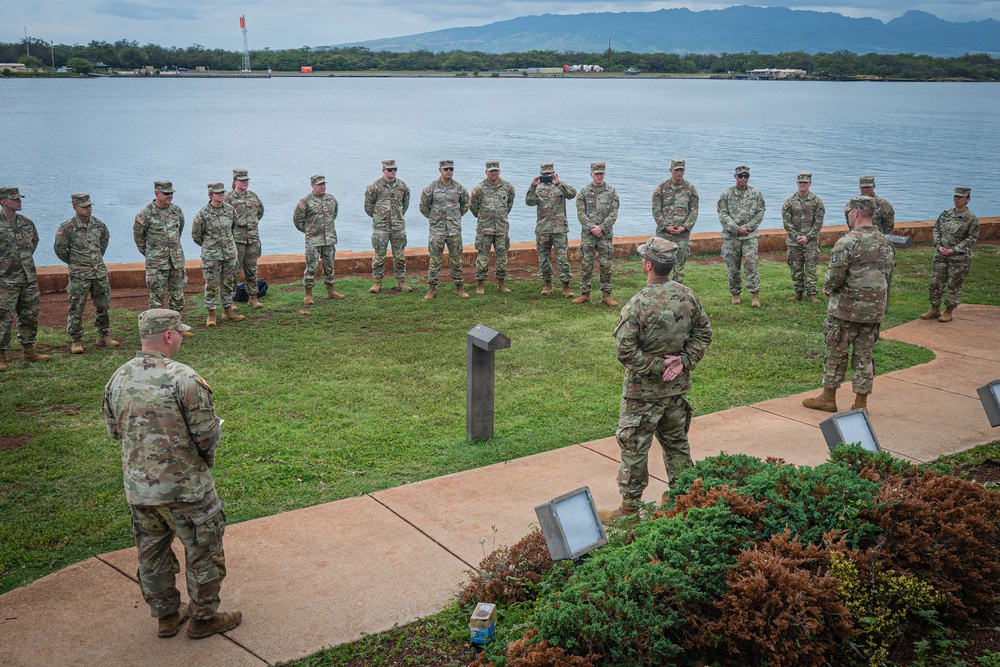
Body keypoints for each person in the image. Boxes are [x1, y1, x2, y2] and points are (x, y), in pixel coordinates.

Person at [104, 309, 242, 639]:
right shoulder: (184, 379)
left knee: (152, 554)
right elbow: (206, 436)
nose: (181, 338)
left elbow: (114, 431)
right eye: (179, 333)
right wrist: (205, 462)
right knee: (203, 553)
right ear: (168, 336)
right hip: (188, 491)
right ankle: (203, 618)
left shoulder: (118, 378)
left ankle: (166, 616)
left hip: (140, 491)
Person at [601, 237, 713, 524]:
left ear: (647, 265)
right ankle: (685, 500)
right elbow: (704, 334)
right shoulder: (688, 296)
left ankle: (629, 512)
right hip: (676, 391)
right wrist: (681, 362)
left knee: (635, 448)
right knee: (677, 444)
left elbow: (625, 351)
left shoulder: (638, 304)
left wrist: (656, 364)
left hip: (642, 395)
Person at [803, 196, 892, 413]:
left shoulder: (848, 242)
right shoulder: (885, 242)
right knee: (864, 356)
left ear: (854, 214)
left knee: (836, 352)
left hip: (846, 310)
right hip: (873, 312)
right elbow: (888, 276)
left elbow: (835, 277)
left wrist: (827, 288)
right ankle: (860, 403)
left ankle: (828, 397)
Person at [54, 192, 119, 353]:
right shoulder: (67, 227)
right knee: (77, 307)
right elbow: (60, 249)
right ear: (75, 207)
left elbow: (104, 242)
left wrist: (95, 260)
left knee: (103, 306)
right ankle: (76, 340)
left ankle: (103, 335)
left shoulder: (98, 225)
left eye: (89, 206)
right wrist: (75, 262)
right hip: (79, 274)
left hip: (99, 273)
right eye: (84, 207)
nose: (88, 209)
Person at [0, 186, 51, 371]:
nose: (19, 201)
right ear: (3, 202)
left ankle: (28, 349)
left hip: (28, 279)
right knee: (3, 319)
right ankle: (1, 356)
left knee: (29, 315)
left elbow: (33, 243)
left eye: (19, 198)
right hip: (5, 282)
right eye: (15, 199)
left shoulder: (27, 224)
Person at [920, 187, 979, 323]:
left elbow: (971, 238)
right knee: (936, 282)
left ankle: (949, 310)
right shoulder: (945, 214)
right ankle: (935, 308)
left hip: (959, 258)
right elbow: (936, 229)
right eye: (955, 197)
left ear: (967, 199)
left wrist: (955, 250)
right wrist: (938, 245)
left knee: (954, 285)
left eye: (960, 197)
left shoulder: (971, 218)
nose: (957, 199)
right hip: (941, 255)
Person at [134, 181, 190, 326]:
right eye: (166, 193)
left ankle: (176, 325)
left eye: (171, 193)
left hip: (176, 261)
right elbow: (139, 238)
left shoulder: (176, 210)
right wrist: (151, 254)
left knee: (177, 296)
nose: (169, 196)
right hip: (157, 264)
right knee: (157, 298)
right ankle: (156, 329)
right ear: (156, 193)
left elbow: (179, 231)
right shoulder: (145, 213)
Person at [192, 183, 244, 327]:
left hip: (229, 254)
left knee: (228, 282)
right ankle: (211, 314)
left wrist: (227, 244)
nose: (222, 195)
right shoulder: (202, 214)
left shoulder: (230, 210)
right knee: (212, 285)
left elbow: (233, 229)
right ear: (210, 195)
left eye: (223, 192)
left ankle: (228, 310)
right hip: (211, 256)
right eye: (218, 193)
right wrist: (210, 246)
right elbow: (196, 235)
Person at [419, 159, 470, 299]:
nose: (449, 172)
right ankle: (431, 289)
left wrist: (457, 217)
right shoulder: (432, 187)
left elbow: (466, 204)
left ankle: (459, 287)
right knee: (435, 260)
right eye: (446, 169)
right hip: (437, 231)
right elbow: (423, 206)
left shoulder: (459, 188)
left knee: (456, 260)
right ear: (440, 170)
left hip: (454, 231)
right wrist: (433, 218)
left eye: (451, 169)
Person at [526, 162, 577, 297]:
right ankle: (547, 283)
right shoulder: (537, 188)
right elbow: (529, 202)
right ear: (541, 175)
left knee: (562, 258)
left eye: (550, 174)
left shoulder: (561, 186)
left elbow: (572, 194)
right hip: (543, 229)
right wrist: (532, 186)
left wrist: (558, 182)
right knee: (544, 258)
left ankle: (566, 286)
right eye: (545, 175)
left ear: (554, 173)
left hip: (560, 229)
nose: (548, 177)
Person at [718, 165, 766, 307]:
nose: (743, 178)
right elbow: (722, 213)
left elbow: (760, 211)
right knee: (733, 266)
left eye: (746, 176)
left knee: (751, 264)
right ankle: (735, 294)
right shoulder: (726, 194)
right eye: (740, 176)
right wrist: (736, 229)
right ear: (735, 176)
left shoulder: (756, 193)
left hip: (749, 236)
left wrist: (748, 228)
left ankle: (755, 295)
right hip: (732, 236)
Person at [574, 162, 620, 306]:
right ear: (591, 175)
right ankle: (584, 294)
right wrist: (592, 228)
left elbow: (614, 212)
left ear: (604, 174)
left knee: (606, 265)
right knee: (586, 264)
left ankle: (606, 295)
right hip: (588, 235)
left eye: (601, 173)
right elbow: (580, 213)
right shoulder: (583, 192)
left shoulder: (611, 192)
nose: (599, 176)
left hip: (604, 235)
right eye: (596, 174)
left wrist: (602, 228)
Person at [293, 174, 344, 305]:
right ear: (312, 185)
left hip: (329, 239)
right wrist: (309, 231)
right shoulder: (305, 201)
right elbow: (297, 220)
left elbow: (334, 214)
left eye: (324, 184)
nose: (323, 186)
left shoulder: (331, 199)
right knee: (312, 267)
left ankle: (330, 291)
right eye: (320, 184)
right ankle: (308, 294)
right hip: (313, 241)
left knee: (329, 266)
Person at [365, 159, 413, 294]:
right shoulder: (374, 187)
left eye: (395, 170)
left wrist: (397, 216)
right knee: (379, 255)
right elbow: (368, 207)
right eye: (390, 170)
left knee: (399, 255)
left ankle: (401, 282)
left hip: (398, 226)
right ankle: (377, 282)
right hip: (381, 227)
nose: (393, 172)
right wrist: (379, 217)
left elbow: (405, 204)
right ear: (383, 170)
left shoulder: (403, 186)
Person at [470, 160, 515, 295]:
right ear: (486, 172)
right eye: (491, 171)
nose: (494, 173)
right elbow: (472, 206)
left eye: (496, 170)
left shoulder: (507, 187)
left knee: (502, 257)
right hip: (485, 229)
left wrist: (501, 216)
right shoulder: (479, 188)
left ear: (499, 171)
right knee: (483, 257)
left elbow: (509, 203)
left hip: (501, 229)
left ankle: (501, 283)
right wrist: (483, 216)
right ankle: (480, 284)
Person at [651, 158, 699, 283]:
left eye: (681, 170)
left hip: (682, 235)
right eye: (676, 170)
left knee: (679, 266)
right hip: (664, 234)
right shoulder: (661, 189)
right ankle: (660, 291)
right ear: (671, 170)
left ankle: (677, 292)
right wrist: (665, 226)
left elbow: (694, 210)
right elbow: (656, 210)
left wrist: (685, 227)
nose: (679, 173)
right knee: (660, 265)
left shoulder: (691, 189)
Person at [781, 173, 825, 302]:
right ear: (797, 183)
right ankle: (798, 292)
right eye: (801, 182)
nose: (803, 185)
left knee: (811, 268)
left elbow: (818, 222)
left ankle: (812, 294)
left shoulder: (817, 201)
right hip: (794, 242)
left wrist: (808, 237)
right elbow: (786, 222)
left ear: (810, 184)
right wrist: (796, 236)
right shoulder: (789, 202)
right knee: (796, 267)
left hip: (810, 242)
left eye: (805, 182)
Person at [225, 169, 265, 309]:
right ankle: (230, 300)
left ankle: (253, 297)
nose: (245, 183)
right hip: (237, 239)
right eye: (242, 180)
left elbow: (260, 212)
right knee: (234, 270)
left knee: (252, 269)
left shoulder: (253, 196)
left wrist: (251, 225)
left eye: (246, 180)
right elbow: (224, 219)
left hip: (252, 238)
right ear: (235, 181)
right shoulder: (228, 198)